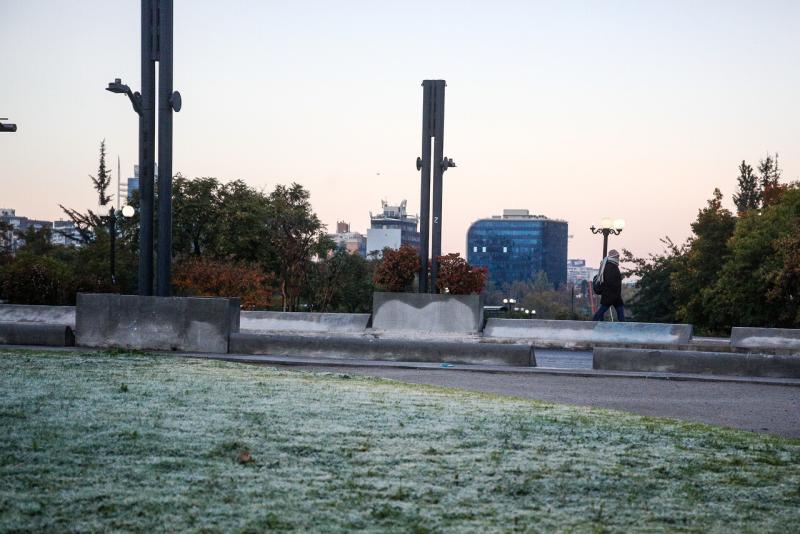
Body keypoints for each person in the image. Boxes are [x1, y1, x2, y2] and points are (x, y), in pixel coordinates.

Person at [592, 249, 625, 321]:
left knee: (602, 311)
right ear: (614, 257)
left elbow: (610, 279)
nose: (618, 258)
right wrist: (619, 278)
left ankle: (594, 325)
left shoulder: (609, 265)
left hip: (612, 295)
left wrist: (619, 278)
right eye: (617, 256)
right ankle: (592, 325)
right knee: (601, 312)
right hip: (611, 295)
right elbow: (610, 281)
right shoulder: (611, 266)